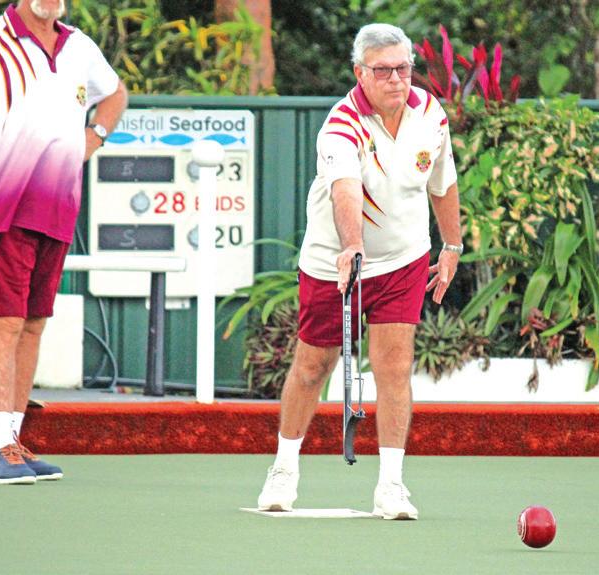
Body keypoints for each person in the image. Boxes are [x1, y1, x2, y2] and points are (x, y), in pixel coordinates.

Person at [257, 23, 462, 519]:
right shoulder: (340, 125)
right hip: (334, 263)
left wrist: (452, 245)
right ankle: (284, 469)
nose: (396, 79)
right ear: (360, 73)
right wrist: (352, 246)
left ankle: (391, 485)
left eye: (403, 68)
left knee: (394, 366)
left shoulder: (431, 114)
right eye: (383, 70)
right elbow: (345, 190)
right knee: (312, 367)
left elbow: (442, 183)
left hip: (404, 260)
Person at [0, 0, 127, 484]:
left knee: (33, 323)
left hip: (58, 207)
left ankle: (15, 443)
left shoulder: (79, 46)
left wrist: (94, 136)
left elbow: (116, 94)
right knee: (6, 321)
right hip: (3, 206)